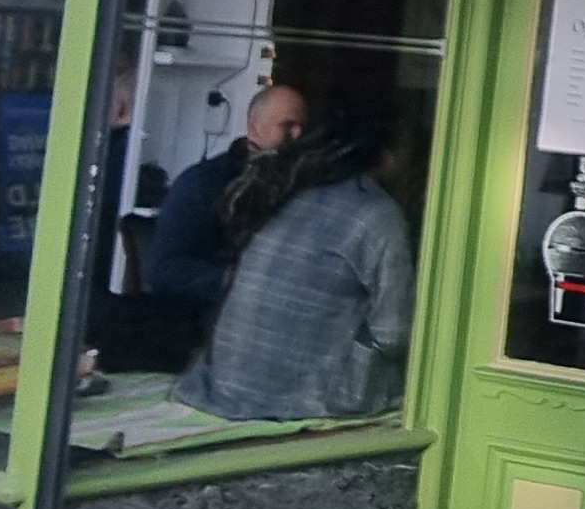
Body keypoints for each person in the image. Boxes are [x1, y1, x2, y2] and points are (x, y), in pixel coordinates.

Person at [179, 106, 415, 422]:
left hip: (225, 382)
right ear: (388, 153)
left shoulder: (285, 190)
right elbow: (393, 333)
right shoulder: (376, 214)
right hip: (309, 397)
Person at [147, 83, 304, 309]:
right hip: (202, 316)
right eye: (287, 125)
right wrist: (239, 282)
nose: (297, 135)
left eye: (301, 127)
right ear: (254, 126)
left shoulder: (300, 187)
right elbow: (164, 269)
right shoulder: (202, 183)